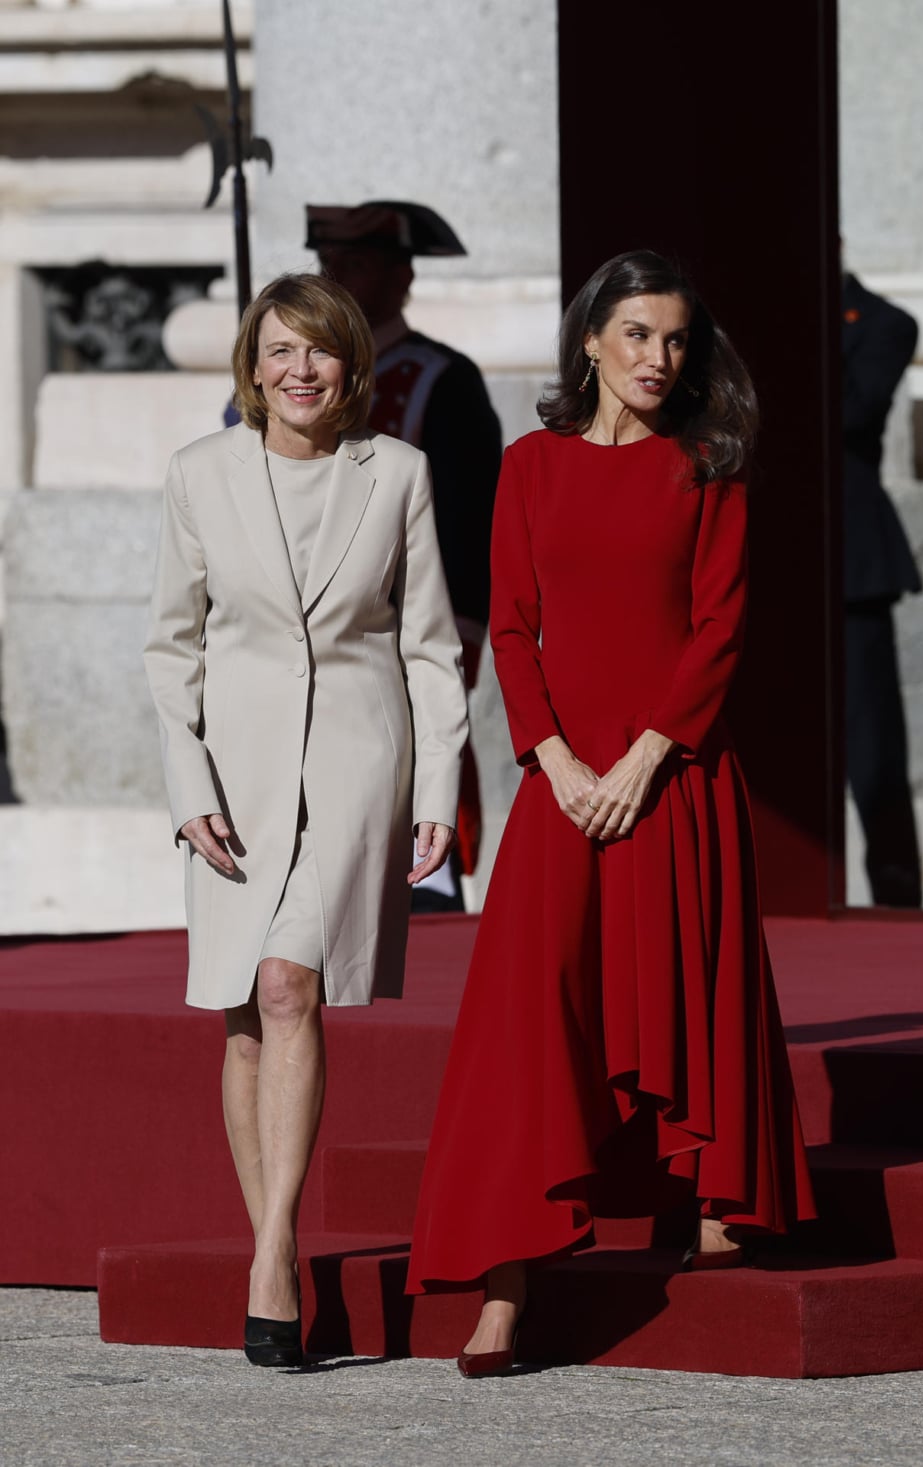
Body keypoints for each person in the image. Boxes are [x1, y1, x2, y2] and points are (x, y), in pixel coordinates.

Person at [406, 250, 816, 1375]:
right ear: (589, 340)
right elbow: (509, 626)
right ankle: (502, 1290)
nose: (656, 358)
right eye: (635, 334)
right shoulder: (530, 464)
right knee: (527, 1023)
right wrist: (550, 755)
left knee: (687, 989)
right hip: (559, 785)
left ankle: (718, 1206)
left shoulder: (706, 464)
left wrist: (644, 755)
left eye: (675, 339)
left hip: (672, 778)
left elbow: (716, 629)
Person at [144, 272, 467, 1368]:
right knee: (241, 1012)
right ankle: (270, 1238)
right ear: (250, 367)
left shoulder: (398, 477)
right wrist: (187, 790)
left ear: (350, 367)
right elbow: (170, 647)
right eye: (278, 350)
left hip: (351, 770)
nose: (298, 370)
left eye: (318, 351)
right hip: (230, 782)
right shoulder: (198, 475)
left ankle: (272, 1258)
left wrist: (438, 795)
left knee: (289, 986)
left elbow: (429, 648)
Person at [305, 200, 502, 903]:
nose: (337, 280)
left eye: (354, 264)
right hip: (302, 630)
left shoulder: (441, 379)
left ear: (401, 277)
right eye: (328, 265)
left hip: (398, 629)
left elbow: (471, 521)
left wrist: (463, 634)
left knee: (409, 790)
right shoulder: (288, 379)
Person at [842, 271, 923, 907]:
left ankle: (898, 903)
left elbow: (855, 409)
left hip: (854, 572)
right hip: (766, 567)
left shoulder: (883, 323)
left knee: (875, 761)